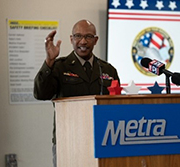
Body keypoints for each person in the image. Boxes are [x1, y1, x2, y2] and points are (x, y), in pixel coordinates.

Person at [33, 19, 120, 167]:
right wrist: (49, 61)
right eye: (78, 36)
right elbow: (41, 94)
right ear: (71, 39)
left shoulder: (108, 70)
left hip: (101, 140)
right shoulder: (59, 66)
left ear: (96, 40)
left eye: (88, 37)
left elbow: (116, 104)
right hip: (68, 140)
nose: (83, 41)